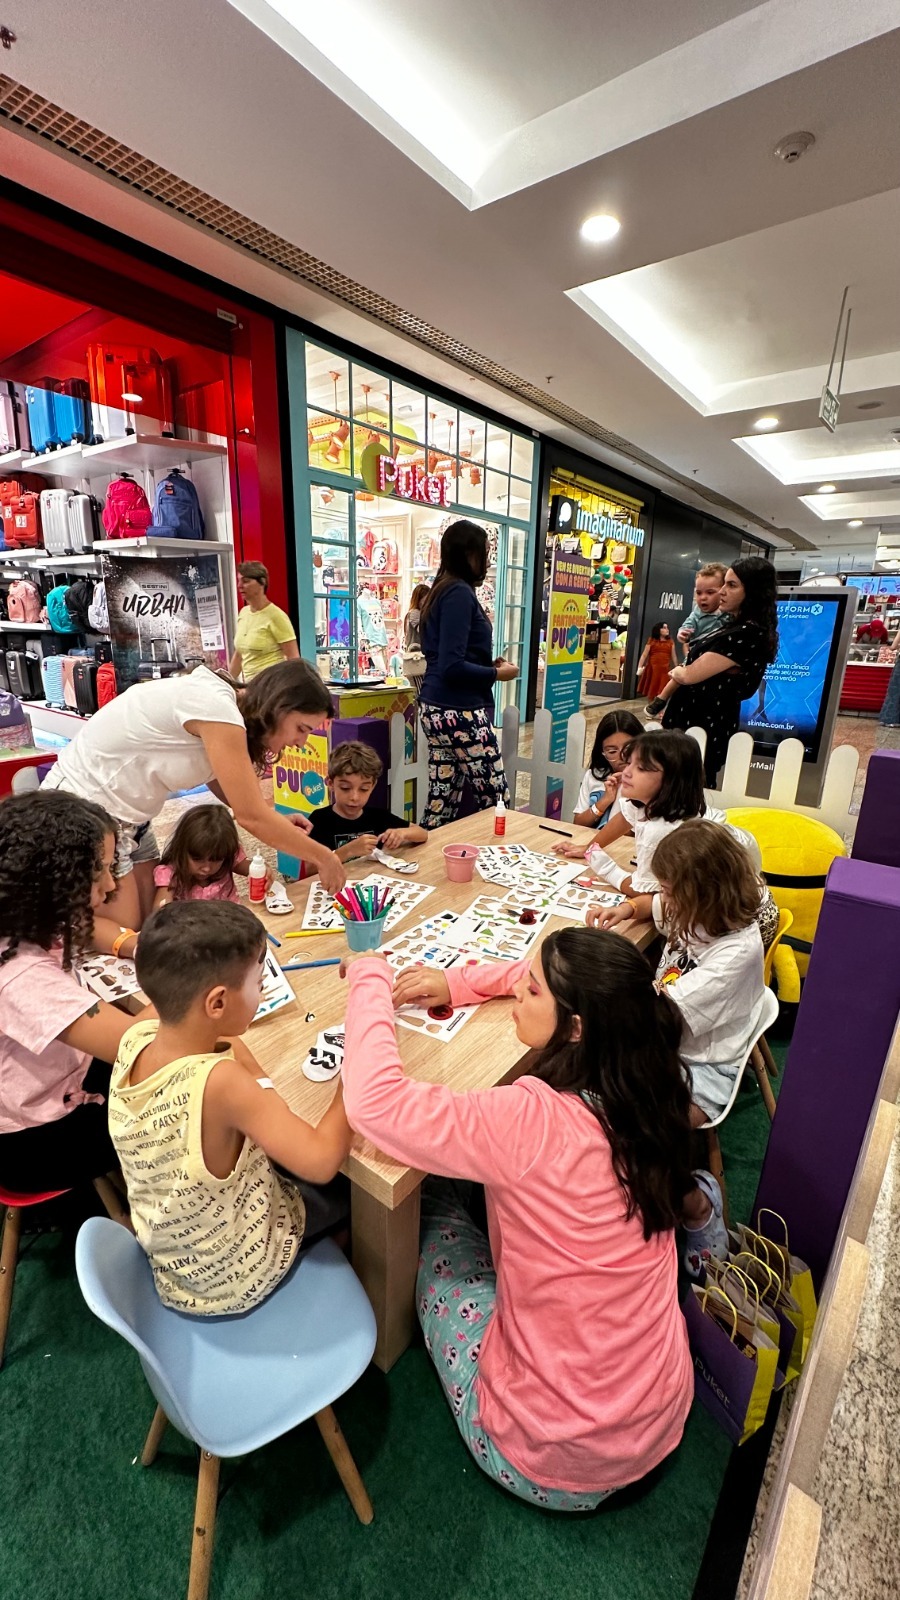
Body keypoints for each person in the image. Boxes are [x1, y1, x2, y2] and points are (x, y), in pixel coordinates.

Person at [340, 928, 695, 1507]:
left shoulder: (529, 1120)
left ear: (576, 1028)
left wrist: (370, 976)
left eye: (530, 991)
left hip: (549, 1454)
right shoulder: (644, 1081)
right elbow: (539, 978)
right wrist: (457, 982)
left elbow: (374, 1103)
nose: (519, 992)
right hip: (657, 1414)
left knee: (422, 1206)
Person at [108, 900, 352, 1315]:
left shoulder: (138, 1036)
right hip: (233, 1277)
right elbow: (322, 1160)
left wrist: (261, 1085)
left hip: (178, 1263)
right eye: (260, 982)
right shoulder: (222, 1085)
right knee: (350, 1193)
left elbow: (231, 1047)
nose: (263, 992)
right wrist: (358, 1068)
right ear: (217, 1003)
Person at [42, 659, 346, 929]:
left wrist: (274, 820)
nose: (301, 741)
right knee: (122, 930)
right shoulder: (218, 710)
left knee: (149, 921)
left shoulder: (225, 707)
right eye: (302, 728)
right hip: (86, 811)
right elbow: (251, 816)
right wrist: (324, 857)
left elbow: (225, 783)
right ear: (279, 708)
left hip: (133, 818)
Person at [0, 791, 152, 1194]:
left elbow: (88, 926)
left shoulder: (21, 916)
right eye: (98, 871)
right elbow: (140, 1043)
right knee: (186, 1101)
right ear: (51, 879)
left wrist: (134, 944)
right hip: (35, 1145)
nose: (111, 883)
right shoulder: (20, 974)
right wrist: (189, 978)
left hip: (60, 1083)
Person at [417, 520, 516, 828]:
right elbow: (452, 666)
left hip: (435, 707)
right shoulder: (459, 592)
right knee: (497, 802)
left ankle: (423, 867)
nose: (487, 560)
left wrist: (487, 664)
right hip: (459, 710)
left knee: (441, 804)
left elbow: (447, 657)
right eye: (485, 552)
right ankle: (500, 866)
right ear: (468, 553)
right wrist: (496, 674)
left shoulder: (441, 589)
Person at [662, 557, 779, 785]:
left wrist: (678, 672)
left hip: (702, 727)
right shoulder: (733, 626)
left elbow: (689, 675)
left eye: (732, 585)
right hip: (694, 726)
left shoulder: (745, 633)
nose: (722, 592)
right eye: (724, 583)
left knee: (687, 792)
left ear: (753, 592)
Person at [308, 741, 428, 862]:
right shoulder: (319, 820)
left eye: (363, 789)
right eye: (345, 788)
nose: (354, 797)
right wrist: (347, 851)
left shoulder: (378, 817)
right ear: (330, 783)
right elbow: (308, 870)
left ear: (372, 786)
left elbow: (422, 834)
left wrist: (402, 833)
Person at [645, 563, 726, 714]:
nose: (703, 598)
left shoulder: (728, 613)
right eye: (699, 593)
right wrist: (683, 633)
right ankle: (661, 699)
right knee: (678, 677)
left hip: (715, 657)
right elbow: (687, 624)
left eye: (710, 592)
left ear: (723, 591)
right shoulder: (697, 612)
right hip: (696, 655)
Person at [152, 804, 256, 908]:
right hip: (190, 923)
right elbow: (160, 910)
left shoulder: (227, 855)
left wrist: (260, 869)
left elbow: (248, 867)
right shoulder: (170, 874)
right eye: (197, 859)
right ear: (182, 850)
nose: (206, 868)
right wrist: (164, 910)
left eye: (216, 860)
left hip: (229, 918)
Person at [228, 561, 299, 682]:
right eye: (239, 580)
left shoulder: (276, 616)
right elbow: (239, 655)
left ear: (262, 582)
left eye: (245, 581)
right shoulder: (244, 613)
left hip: (271, 688)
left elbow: (294, 660)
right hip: (250, 688)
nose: (239, 585)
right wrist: (226, 681)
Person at [572, 709, 642, 829]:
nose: (622, 756)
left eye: (629, 747)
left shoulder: (649, 780)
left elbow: (633, 833)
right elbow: (578, 824)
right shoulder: (595, 775)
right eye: (612, 751)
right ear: (602, 752)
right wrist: (605, 801)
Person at [636, 623, 677, 702]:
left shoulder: (670, 642)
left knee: (663, 690)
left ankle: (661, 708)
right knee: (652, 689)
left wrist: (676, 667)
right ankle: (651, 706)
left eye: (667, 628)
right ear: (659, 630)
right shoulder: (651, 640)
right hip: (653, 669)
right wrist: (639, 667)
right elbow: (644, 655)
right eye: (664, 628)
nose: (667, 629)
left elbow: (674, 656)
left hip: (664, 670)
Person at [404, 583, 431, 651]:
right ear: (418, 600)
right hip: (416, 656)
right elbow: (425, 631)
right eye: (425, 601)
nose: (427, 603)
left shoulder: (419, 613)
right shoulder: (415, 613)